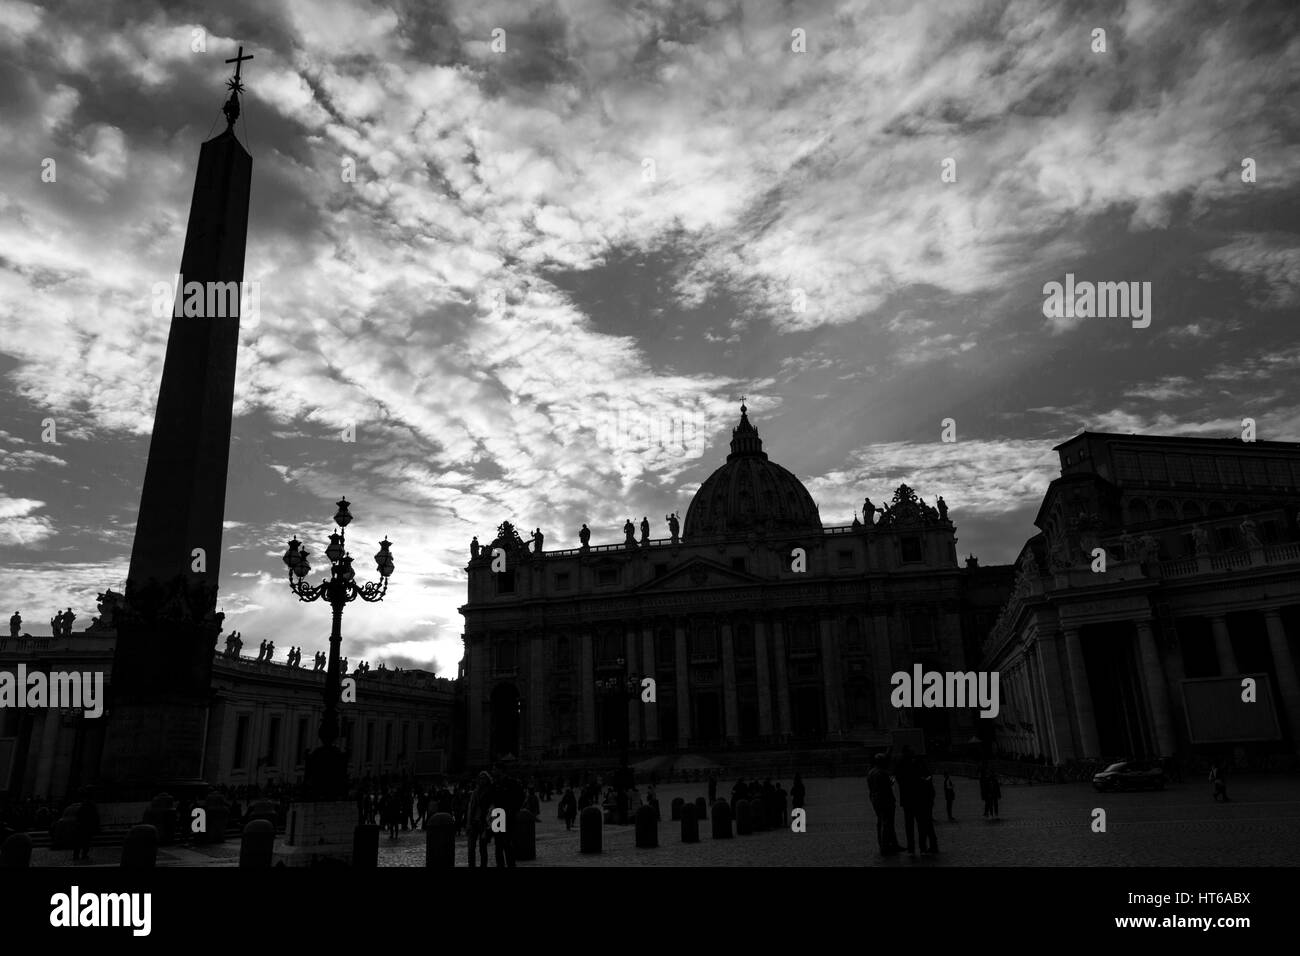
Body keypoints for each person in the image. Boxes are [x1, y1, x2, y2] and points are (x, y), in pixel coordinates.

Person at [867, 754, 901, 855]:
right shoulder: (882, 773)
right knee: (887, 823)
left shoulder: (871, 772)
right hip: (885, 800)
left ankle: (888, 844)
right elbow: (888, 785)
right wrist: (893, 779)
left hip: (875, 799)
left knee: (881, 822)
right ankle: (886, 846)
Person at [467, 772, 492, 867]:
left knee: (483, 848)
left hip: (484, 823)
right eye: (480, 778)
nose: (482, 780)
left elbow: (492, 808)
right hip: (474, 822)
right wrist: (468, 823)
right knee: (471, 848)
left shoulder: (490, 792)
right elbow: (470, 808)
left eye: (484, 778)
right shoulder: (475, 792)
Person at [916, 765, 938, 853]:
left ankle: (924, 846)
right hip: (927, 804)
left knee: (922, 826)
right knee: (928, 826)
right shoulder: (928, 781)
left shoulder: (920, 782)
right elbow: (932, 793)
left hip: (922, 805)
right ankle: (931, 845)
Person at [73, 790, 99, 862]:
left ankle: (76, 855)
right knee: (86, 842)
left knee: (79, 842)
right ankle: (83, 855)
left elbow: (78, 814)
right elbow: (95, 816)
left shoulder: (83, 805)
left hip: (82, 826)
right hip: (87, 826)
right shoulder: (91, 805)